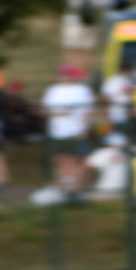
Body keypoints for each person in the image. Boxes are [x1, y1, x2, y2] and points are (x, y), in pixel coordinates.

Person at [42, 65, 96, 193]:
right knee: (58, 160)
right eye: (61, 74)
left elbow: (88, 112)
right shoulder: (53, 90)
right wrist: (56, 114)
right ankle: (62, 186)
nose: (64, 77)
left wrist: (84, 129)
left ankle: (79, 187)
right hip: (57, 132)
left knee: (78, 161)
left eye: (66, 74)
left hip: (75, 131)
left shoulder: (82, 90)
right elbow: (45, 109)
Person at [60, 0, 102, 72]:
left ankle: (70, 72)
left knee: (71, 47)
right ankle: (85, 72)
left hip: (73, 18)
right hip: (89, 19)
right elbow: (100, 3)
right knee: (87, 48)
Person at [85, 133, 131, 198]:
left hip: (103, 189)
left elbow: (86, 168)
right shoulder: (126, 155)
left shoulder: (99, 153)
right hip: (121, 189)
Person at [101, 67, 136, 137]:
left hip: (125, 113)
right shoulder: (113, 81)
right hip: (114, 113)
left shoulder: (128, 80)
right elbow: (106, 97)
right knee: (113, 133)